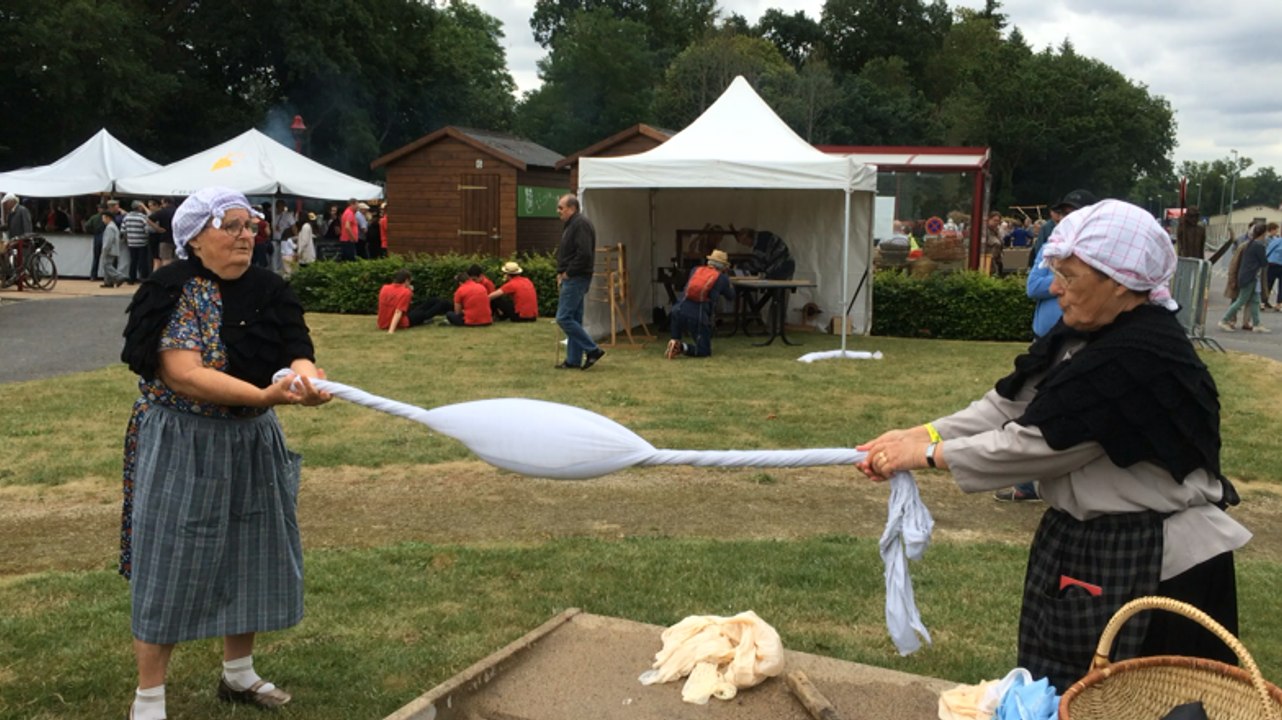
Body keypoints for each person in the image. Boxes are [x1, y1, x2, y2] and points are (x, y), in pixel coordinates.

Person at [856, 200, 1250, 693]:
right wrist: (919, 434)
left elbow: (1040, 446)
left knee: (1138, 700)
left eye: (1069, 274)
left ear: (1120, 280)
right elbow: (1008, 405)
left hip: (1156, 562)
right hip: (1090, 543)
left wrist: (928, 456)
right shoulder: (1085, 334)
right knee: (1060, 687)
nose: (1054, 287)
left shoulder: (1139, 355)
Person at [117, 187, 331, 720]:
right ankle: (148, 699)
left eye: (248, 225)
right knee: (169, 560)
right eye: (230, 226)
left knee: (251, 551)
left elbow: (297, 351)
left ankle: (238, 676)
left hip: (253, 439)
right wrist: (263, 396)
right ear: (195, 236)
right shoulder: (172, 289)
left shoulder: (269, 288)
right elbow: (184, 375)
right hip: (184, 440)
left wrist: (309, 380)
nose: (244, 235)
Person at [1011, 190, 1098, 503]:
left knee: (1067, 412)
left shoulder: (1095, 254)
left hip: (1077, 342)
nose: (1062, 217)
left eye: (1072, 211)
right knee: (1029, 406)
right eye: (1061, 212)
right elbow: (1032, 288)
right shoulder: (1050, 246)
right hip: (1044, 342)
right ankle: (1024, 483)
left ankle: (1065, 484)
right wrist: (1064, 282)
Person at [555, 194, 605, 370]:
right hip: (573, 276)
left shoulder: (580, 224)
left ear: (572, 208)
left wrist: (568, 272)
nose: (558, 211)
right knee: (574, 317)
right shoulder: (573, 224)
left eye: (561, 208)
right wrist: (560, 272)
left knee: (563, 317)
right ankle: (573, 360)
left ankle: (592, 349)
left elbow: (584, 254)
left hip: (576, 277)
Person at [666, 249, 736, 359]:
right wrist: (728, 281)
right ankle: (681, 347)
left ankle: (674, 341)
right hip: (697, 315)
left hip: (678, 309)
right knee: (704, 350)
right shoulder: (722, 278)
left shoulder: (695, 270)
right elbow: (731, 296)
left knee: (677, 332)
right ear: (724, 267)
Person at [1217, 223, 1271, 333]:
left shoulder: (1249, 243)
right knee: (1241, 300)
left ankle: (1257, 324)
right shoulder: (1259, 246)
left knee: (1255, 300)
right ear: (1264, 233)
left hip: (1247, 276)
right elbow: (1264, 262)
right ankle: (1224, 320)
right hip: (1250, 277)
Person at [377, 269, 450, 333]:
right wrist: (391, 330)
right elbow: (398, 312)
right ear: (406, 280)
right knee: (422, 314)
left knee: (429, 303)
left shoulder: (385, 288)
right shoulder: (405, 292)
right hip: (402, 322)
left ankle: (438, 302)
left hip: (383, 322)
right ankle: (445, 305)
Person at [123, 200, 151, 283]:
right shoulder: (142, 217)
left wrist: (128, 239)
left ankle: (132, 278)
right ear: (139, 207)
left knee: (133, 261)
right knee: (142, 261)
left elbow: (123, 230)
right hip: (142, 242)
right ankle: (142, 278)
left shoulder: (126, 217)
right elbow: (147, 230)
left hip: (131, 242)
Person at [100, 211, 128, 287]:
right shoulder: (113, 226)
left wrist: (104, 250)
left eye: (103, 218)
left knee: (107, 265)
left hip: (110, 250)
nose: (102, 220)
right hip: (113, 249)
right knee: (107, 265)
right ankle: (108, 282)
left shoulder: (110, 227)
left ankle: (120, 276)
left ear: (108, 218)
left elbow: (108, 241)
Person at [1265, 224, 1282, 311]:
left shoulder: (1275, 241)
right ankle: (1279, 304)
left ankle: (1263, 302)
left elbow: (1268, 250)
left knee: (1268, 283)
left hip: (1272, 263)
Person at [984, 210, 1004, 276]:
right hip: (987, 260)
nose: (996, 222)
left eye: (998, 221)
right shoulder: (984, 231)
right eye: (994, 220)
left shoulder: (997, 231)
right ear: (989, 219)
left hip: (997, 261)